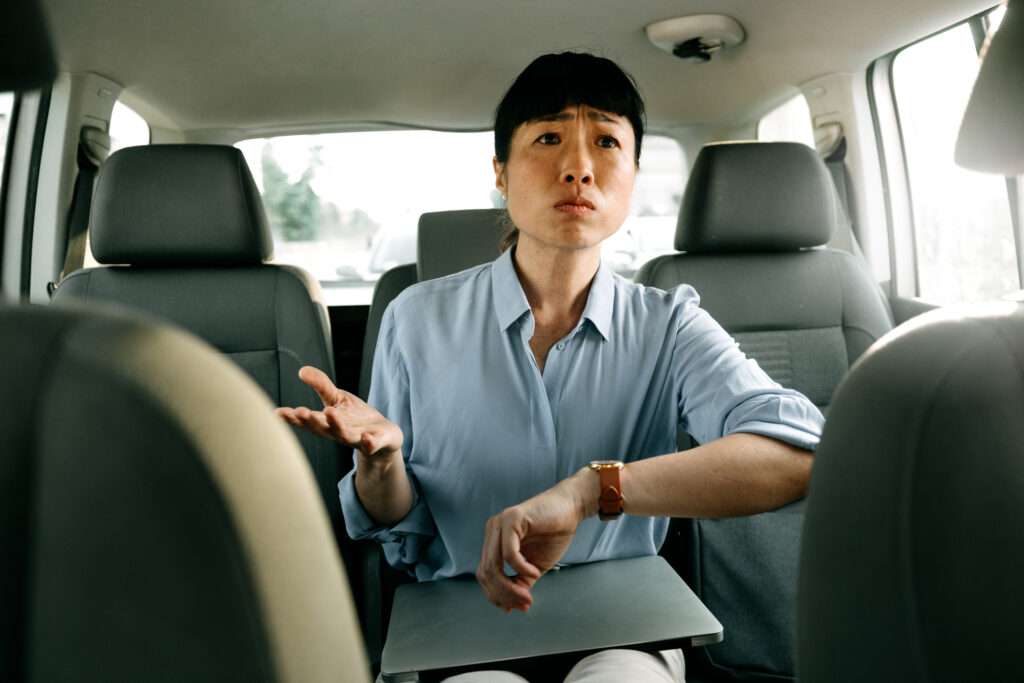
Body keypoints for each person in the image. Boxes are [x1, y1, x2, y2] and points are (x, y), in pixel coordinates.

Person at [277, 51, 824, 682]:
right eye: (548, 138)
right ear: (500, 173)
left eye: (606, 142)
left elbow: (796, 454)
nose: (579, 168)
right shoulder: (415, 318)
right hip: (460, 626)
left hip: (625, 628)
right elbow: (396, 521)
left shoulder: (669, 324)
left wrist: (593, 491)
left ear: (633, 174)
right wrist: (380, 463)